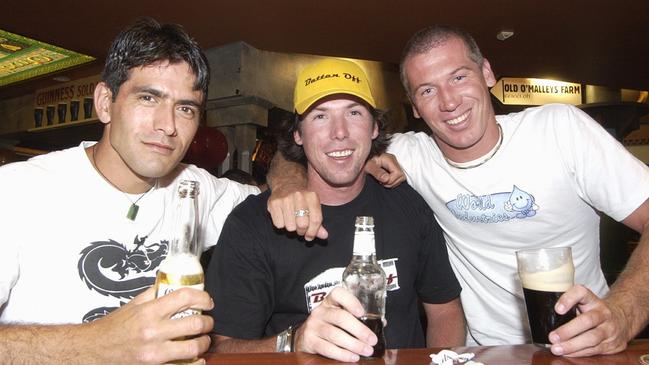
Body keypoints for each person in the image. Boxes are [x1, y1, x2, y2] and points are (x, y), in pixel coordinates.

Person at [268, 25, 649, 357]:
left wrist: (622, 312)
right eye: (427, 90)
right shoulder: (412, 154)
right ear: (414, 106)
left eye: (459, 77)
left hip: (585, 347)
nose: (449, 103)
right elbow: (315, 151)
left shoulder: (559, 130)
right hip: (482, 354)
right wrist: (289, 185)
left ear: (486, 72)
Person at [0, 18, 258, 364]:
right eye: (148, 98)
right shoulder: (17, 190)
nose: (167, 125)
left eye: (185, 108)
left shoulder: (194, 189)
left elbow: (274, 199)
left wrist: (287, 182)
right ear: (105, 102)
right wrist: (94, 345)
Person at [205, 58, 465, 362]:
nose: (339, 132)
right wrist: (294, 341)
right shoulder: (252, 224)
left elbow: (445, 311)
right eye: (320, 116)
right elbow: (219, 350)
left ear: (374, 128)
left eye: (354, 113)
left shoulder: (408, 204)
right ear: (298, 135)